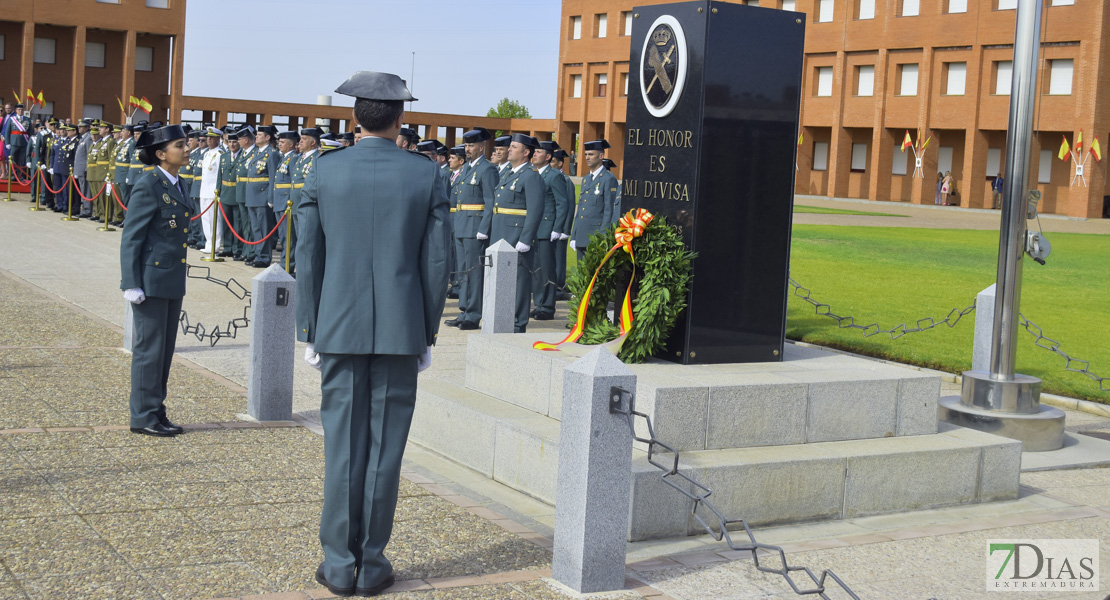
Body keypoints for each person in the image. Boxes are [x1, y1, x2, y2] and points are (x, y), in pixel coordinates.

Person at [296, 70, 449, 598]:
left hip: (337, 325)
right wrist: (427, 332)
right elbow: (436, 262)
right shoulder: (426, 174)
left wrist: (309, 327)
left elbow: (308, 254)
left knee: (342, 447)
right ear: (401, 119)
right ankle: (372, 561)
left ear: (353, 117)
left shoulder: (325, 169)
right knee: (385, 451)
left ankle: (338, 565)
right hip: (402, 330)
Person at [119, 123, 192, 437]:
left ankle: (156, 410)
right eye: (180, 145)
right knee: (149, 351)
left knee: (164, 351)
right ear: (161, 154)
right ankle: (143, 416)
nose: (187, 149)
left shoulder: (178, 182)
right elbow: (131, 237)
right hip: (150, 279)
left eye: (186, 144)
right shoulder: (149, 183)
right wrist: (130, 283)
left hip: (171, 278)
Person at [485, 133, 543, 333]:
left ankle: (518, 321)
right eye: (510, 146)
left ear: (526, 153)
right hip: (499, 234)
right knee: (499, 280)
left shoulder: (531, 175)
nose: (509, 149)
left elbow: (535, 210)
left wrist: (526, 238)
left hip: (516, 237)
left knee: (518, 282)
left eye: (514, 147)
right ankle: (501, 317)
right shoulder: (508, 173)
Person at [444, 127, 496, 331]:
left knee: (474, 272)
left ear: (482, 147)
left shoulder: (487, 169)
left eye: (471, 145)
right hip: (462, 225)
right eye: (466, 145)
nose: (467, 149)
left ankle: (474, 314)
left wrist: (484, 227)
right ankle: (464, 310)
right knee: (462, 272)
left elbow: (490, 201)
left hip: (475, 227)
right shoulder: (465, 169)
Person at [530, 140, 569, 321]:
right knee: (537, 269)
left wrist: (557, 228)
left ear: (547, 157)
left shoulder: (554, 176)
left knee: (547, 270)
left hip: (547, 229)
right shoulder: (532, 174)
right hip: (534, 229)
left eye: (538, 152)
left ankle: (547, 306)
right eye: (534, 152)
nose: (535, 154)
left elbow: (563, 204)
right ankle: (539, 303)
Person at [570, 139, 617, 261]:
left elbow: (609, 211)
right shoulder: (586, 179)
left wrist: (602, 237)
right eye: (586, 154)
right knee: (581, 276)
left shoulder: (608, 179)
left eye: (591, 154)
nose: (587, 157)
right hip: (581, 235)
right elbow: (580, 210)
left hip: (595, 235)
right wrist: (574, 235)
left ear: (601, 156)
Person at [245, 125, 279, 267]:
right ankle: (258, 254)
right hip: (252, 195)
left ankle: (264, 257)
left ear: (267, 137)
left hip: (262, 195)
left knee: (264, 228)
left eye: (259, 135)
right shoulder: (256, 153)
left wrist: (271, 198)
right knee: (256, 228)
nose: (256, 136)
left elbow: (273, 178)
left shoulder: (272, 154)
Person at [551, 148, 573, 298]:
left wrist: (565, 229)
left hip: (559, 228)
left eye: (553, 161)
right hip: (549, 225)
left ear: (560, 163)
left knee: (558, 259)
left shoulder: (566, 180)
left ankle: (559, 287)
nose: (550, 164)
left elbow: (569, 206)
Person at [199, 127, 225, 254]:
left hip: (213, 191)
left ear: (217, 139)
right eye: (208, 137)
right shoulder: (206, 153)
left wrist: (218, 191)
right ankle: (208, 242)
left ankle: (215, 243)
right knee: (205, 218)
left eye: (211, 137)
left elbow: (220, 174)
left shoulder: (219, 153)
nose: (208, 139)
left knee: (214, 219)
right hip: (204, 190)